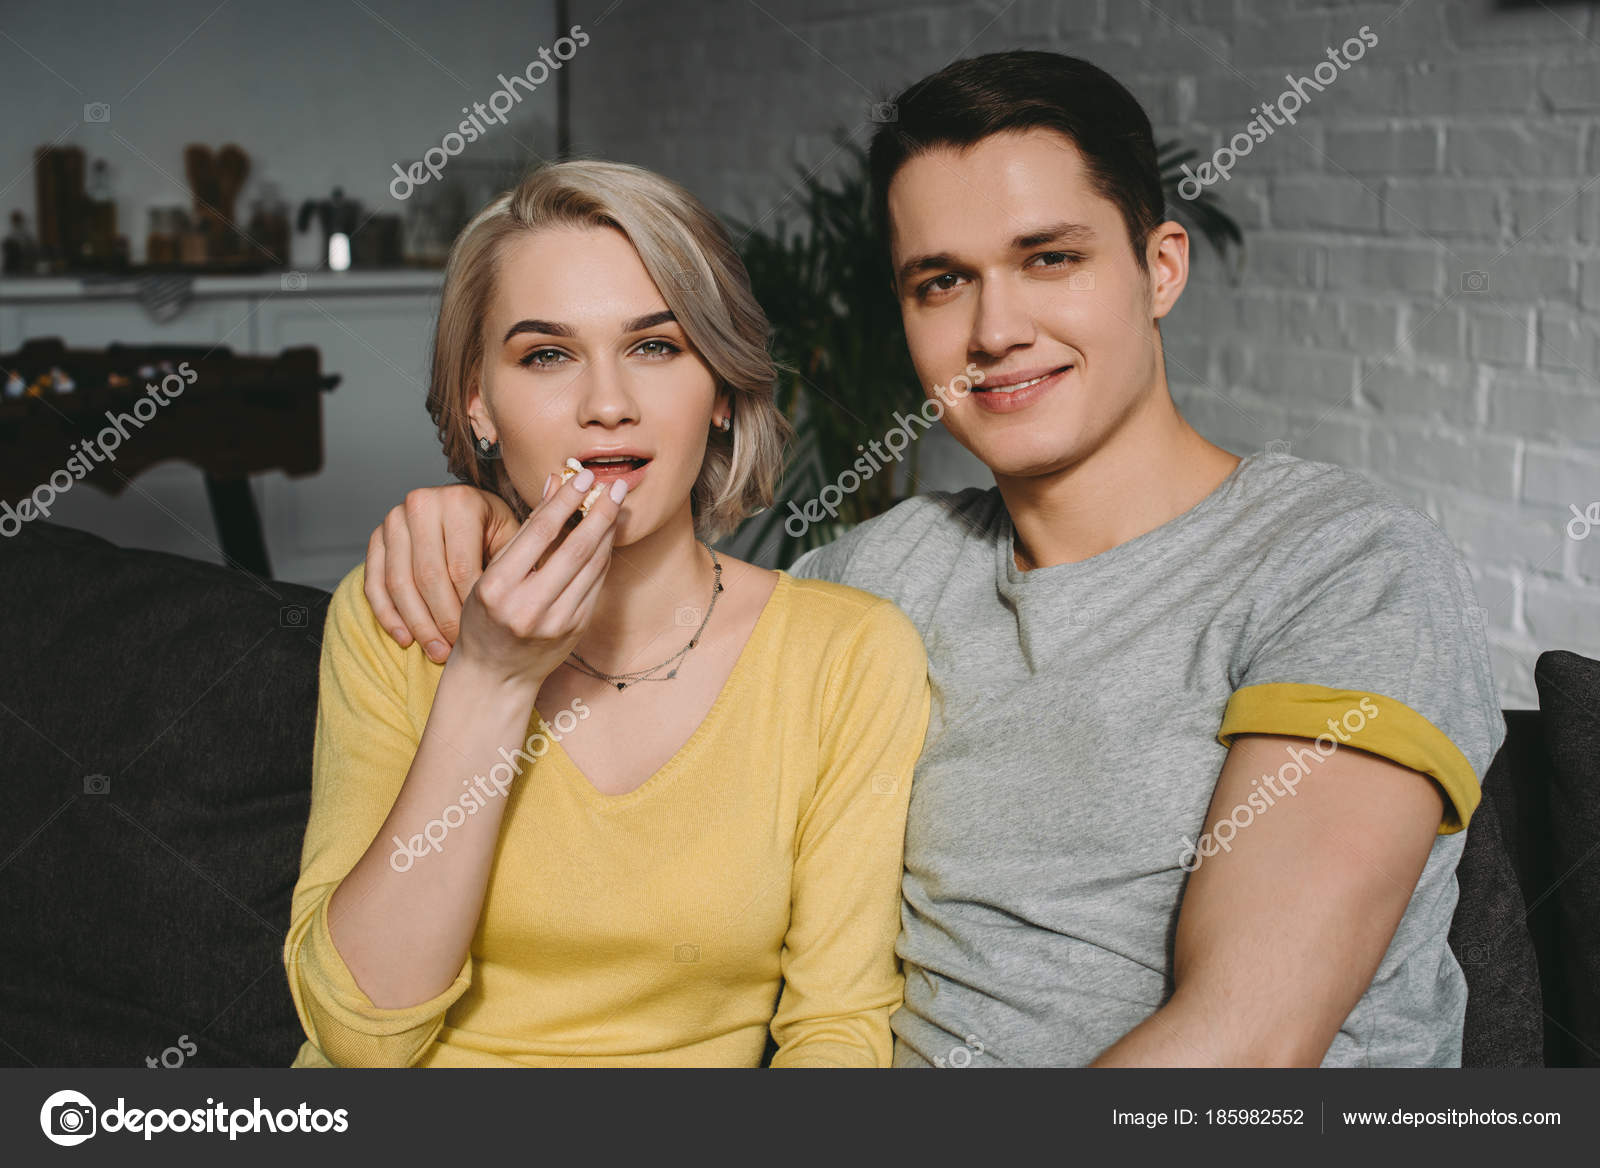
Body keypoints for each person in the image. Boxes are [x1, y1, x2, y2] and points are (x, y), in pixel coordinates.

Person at [357, 52, 1505, 1067]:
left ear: (1160, 268)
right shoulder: (875, 581)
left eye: (1047, 258)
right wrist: (480, 521)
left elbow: (1243, 1045)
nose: (994, 329)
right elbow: (673, 625)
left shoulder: (1343, 563)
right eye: (941, 281)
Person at [282, 160, 930, 1068]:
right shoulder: (402, 610)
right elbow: (357, 1032)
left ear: (721, 389)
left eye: (656, 347)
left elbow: (838, 1031)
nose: (608, 406)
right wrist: (489, 678)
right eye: (547, 356)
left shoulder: (847, 656)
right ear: (478, 403)